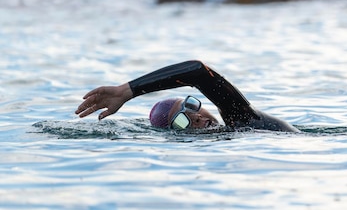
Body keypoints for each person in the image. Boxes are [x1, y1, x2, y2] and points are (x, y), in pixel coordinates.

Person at [75, 60, 299, 132]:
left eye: (191, 108)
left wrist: (127, 90)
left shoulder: (243, 119)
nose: (199, 119)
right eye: (182, 122)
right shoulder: (234, 135)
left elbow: (198, 72)